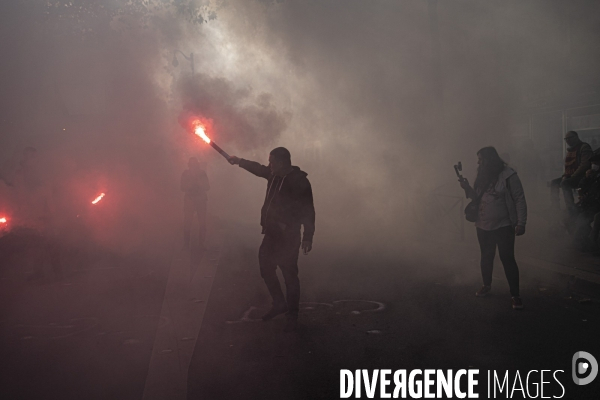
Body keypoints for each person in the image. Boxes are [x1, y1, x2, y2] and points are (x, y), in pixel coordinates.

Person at [228, 147, 315, 332]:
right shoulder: (273, 174)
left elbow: (308, 210)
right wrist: (238, 161)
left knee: (290, 275)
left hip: (289, 236)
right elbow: (258, 168)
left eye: (272, 162)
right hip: (271, 233)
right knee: (265, 267)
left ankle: (292, 313)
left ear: (283, 163)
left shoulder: (299, 181)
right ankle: (279, 303)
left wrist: (308, 236)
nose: (269, 165)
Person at [459, 147, 527, 310]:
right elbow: (476, 197)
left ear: (490, 159)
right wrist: (467, 188)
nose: (478, 162)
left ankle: (515, 295)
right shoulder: (482, 176)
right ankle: (486, 285)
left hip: (503, 225)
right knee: (486, 256)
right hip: (483, 225)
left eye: (481, 159)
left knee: (507, 259)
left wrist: (521, 222)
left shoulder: (509, 175)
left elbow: (519, 199)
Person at [550, 131, 592, 215]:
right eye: (566, 139)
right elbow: (569, 167)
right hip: (571, 176)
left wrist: (572, 176)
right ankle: (555, 207)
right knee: (554, 182)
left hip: (582, 177)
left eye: (570, 138)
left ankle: (571, 208)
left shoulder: (584, 147)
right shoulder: (570, 150)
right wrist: (565, 175)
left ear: (576, 137)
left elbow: (585, 164)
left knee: (565, 183)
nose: (568, 140)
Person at [181, 157, 210, 250]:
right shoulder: (185, 174)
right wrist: (189, 184)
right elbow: (182, 187)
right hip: (190, 200)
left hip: (201, 201)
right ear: (189, 165)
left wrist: (200, 183)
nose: (193, 167)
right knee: (187, 223)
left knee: (202, 224)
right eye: (192, 165)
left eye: (195, 165)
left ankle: (201, 244)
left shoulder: (202, 173)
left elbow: (207, 187)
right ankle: (186, 244)